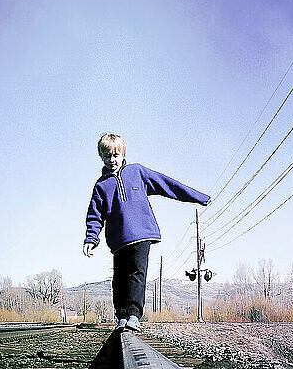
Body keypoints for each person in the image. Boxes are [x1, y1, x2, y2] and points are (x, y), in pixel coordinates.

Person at [83, 133, 210, 331]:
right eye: (107, 156)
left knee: (137, 274)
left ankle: (134, 315)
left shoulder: (137, 172)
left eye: (116, 155)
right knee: (119, 279)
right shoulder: (101, 186)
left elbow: (166, 184)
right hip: (118, 240)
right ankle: (122, 316)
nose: (112, 160)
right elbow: (95, 215)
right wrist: (91, 238)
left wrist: (198, 197)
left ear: (123, 154)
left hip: (142, 234)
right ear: (101, 157)